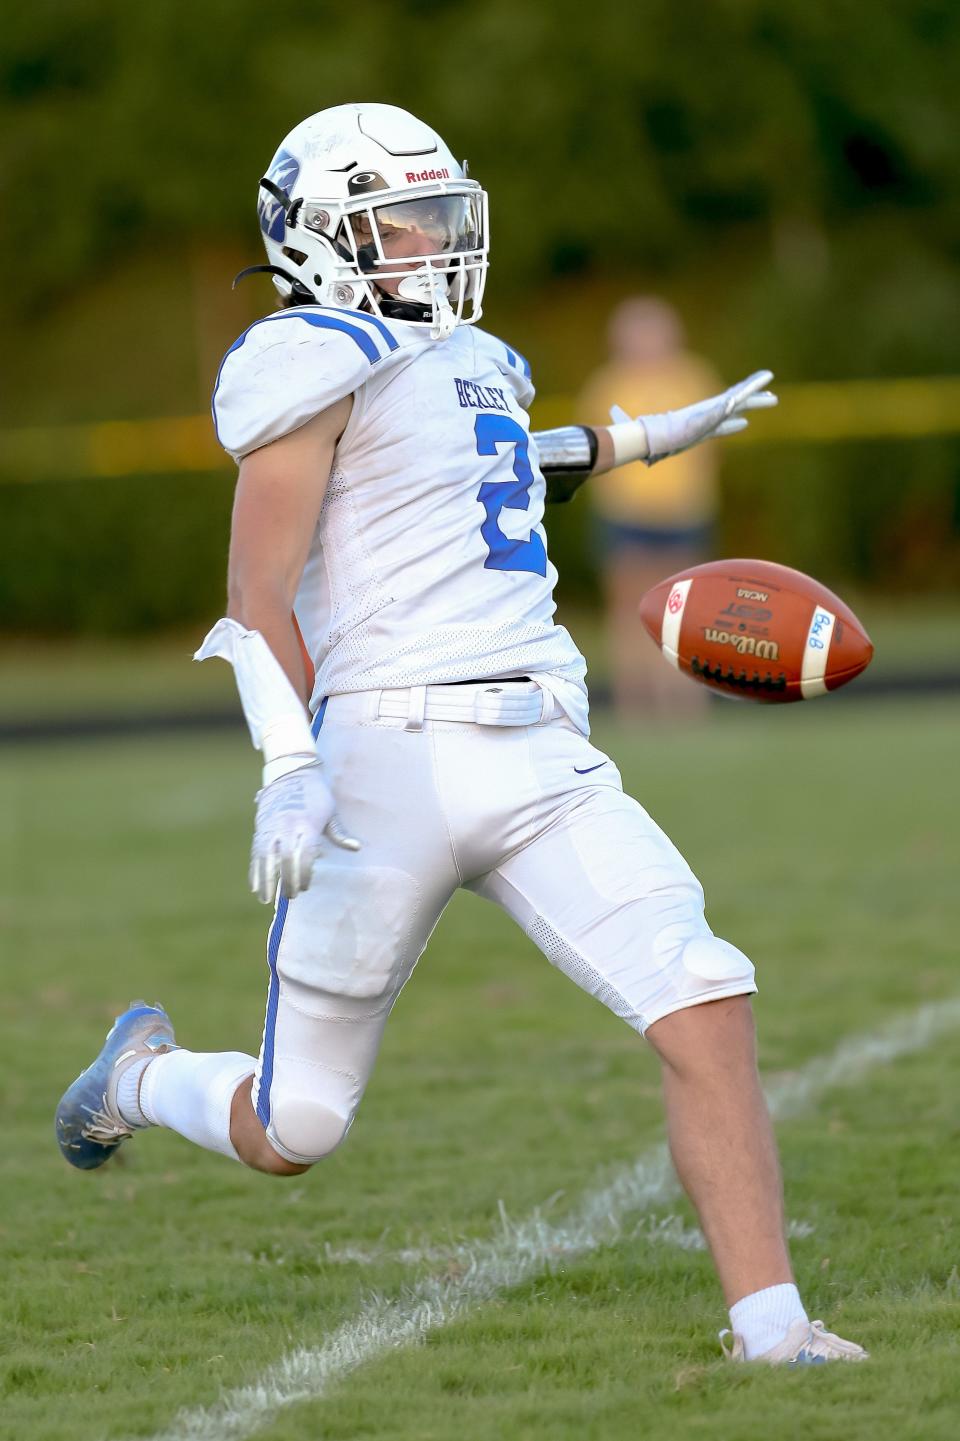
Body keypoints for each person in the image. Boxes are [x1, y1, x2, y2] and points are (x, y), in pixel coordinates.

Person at [55, 103, 864, 1367]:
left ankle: (773, 1330)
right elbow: (254, 597)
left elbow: (486, 465)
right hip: (384, 762)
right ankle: (143, 1077)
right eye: (399, 224)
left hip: (542, 747)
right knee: (298, 1127)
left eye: (440, 217)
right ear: (321, 237)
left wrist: (645, 438)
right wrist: (289, 771)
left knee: (706, 994)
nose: (431, 245)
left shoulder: (471, 355)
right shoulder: (305, 357)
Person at [577, 297, 721, 720]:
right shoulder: (608, 385)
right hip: (628, 515)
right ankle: (636, 704)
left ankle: (684, 703)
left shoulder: (694, 377)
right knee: (629, 611)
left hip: (682, 513)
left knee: (685, 611)